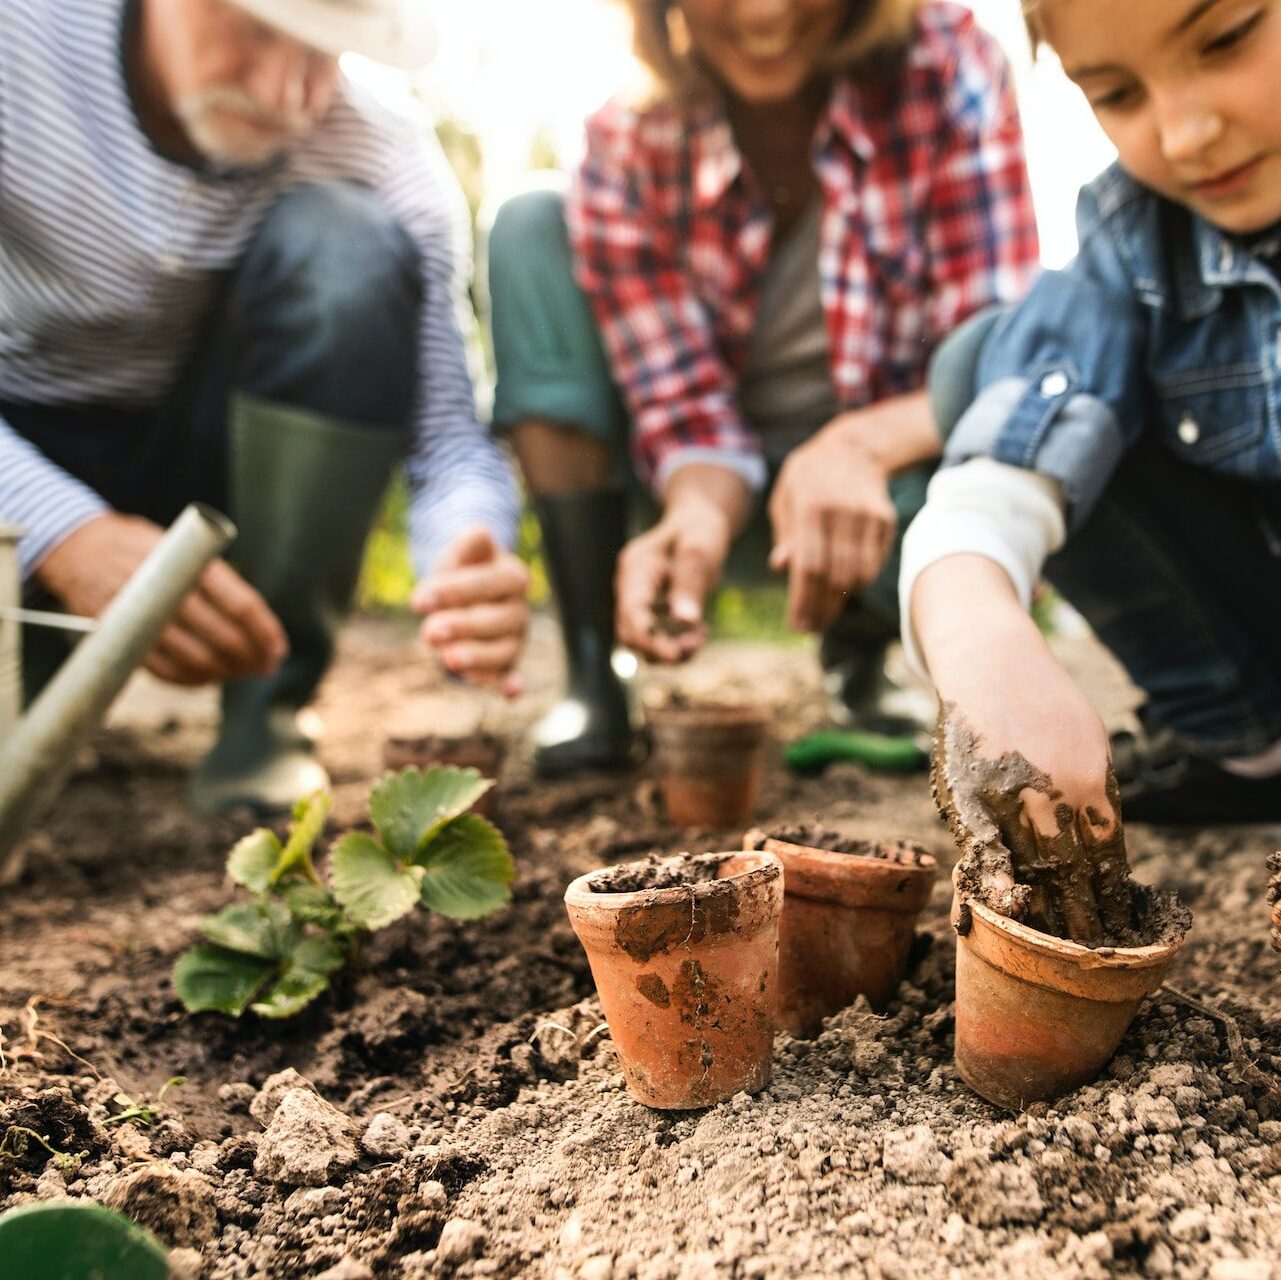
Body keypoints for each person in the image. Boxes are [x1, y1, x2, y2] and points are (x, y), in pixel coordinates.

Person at [0, 0, 529, 816]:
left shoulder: (379, 155)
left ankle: (266, 714)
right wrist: (62, 530)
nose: (290, 93)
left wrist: (466, 548)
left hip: (209, 464)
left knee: (348, 245)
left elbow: (449, 443)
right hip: (20, 460)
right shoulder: (19, 42)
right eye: (254, 29)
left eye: (330, 52)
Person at [487, 0, 1040, 776]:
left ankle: (862, 646)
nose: (765, 9)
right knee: (528, 224)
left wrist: (856, 447)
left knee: (1015, 445)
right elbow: (681, 407)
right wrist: (698, 510)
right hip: (719, 497)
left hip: (889, 492)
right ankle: (591, 664)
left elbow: (994, 354)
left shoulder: (946, 61)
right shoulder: (626, 138)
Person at [903, 0, 1281, 930]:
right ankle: (1246, 745)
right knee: (978, 362)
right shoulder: (1134, 233)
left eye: (1228, 38)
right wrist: (988, 650)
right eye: (1115, 93)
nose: (1187, 132)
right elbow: (999, 469)